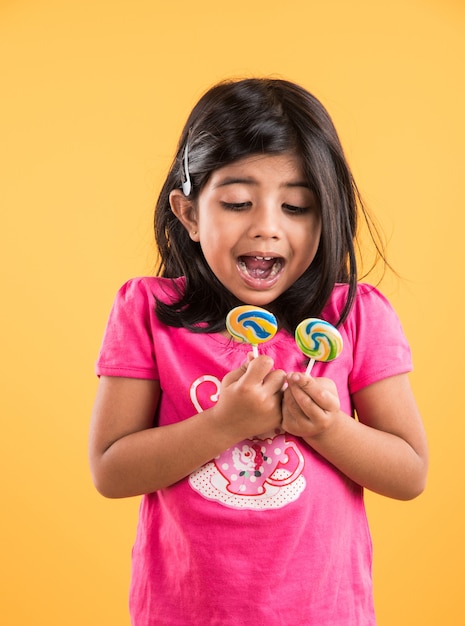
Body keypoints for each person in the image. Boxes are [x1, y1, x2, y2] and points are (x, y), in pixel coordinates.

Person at [89, 78, 428, 625]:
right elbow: (111, 470)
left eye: (296, 206)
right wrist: (224, 424)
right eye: (239, 202)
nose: (267, 226)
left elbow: (410, 472)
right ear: (190, 213)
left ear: (327, 215)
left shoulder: (356, 316)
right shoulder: (147, 313)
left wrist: (328, 428)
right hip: (183, 613)